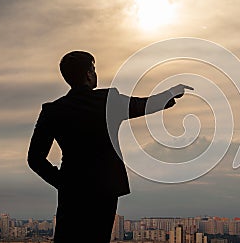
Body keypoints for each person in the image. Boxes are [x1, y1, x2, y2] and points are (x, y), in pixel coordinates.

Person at [27, 50, 193, 243]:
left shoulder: (52, 110)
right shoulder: (108, 101)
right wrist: (173, 92)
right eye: (94, 69)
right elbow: (145, 105)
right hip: (104, 189)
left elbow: (34, 159)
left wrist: (63, 182)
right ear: (89, 74)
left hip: (72, 192)